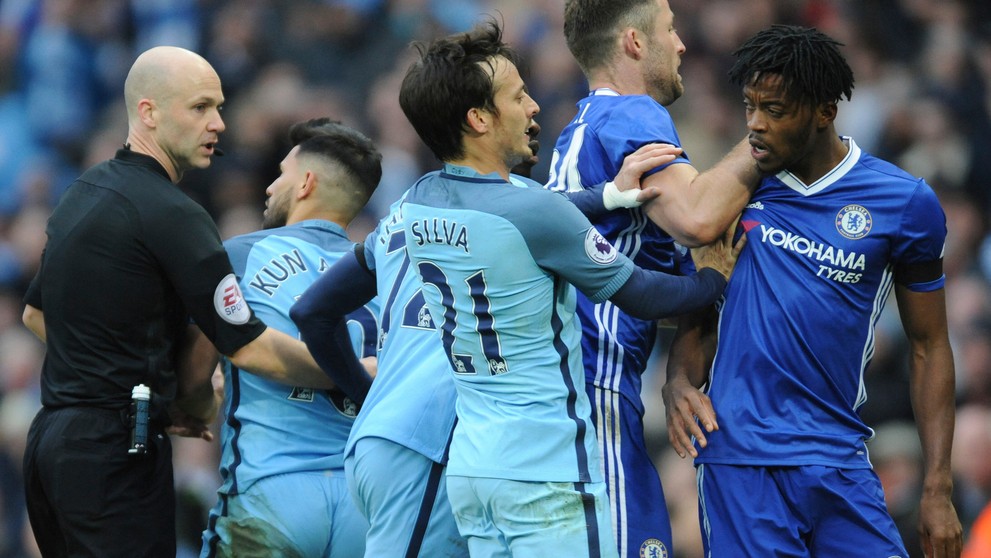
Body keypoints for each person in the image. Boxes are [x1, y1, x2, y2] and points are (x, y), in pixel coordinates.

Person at [393, 20, 742, 556]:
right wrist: (714, 276)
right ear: (479, 118)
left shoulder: (416, 202)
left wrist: (605, 197)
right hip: (550, 452)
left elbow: (541, 214)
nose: (535, 106)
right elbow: (649, 287)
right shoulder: (541, 196)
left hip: (474, 462)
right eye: (518, 96)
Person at [662, 25, 963, 557]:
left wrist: (938, 488)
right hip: (741, 460)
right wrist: (680, 378)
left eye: (775, 110)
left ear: (825, 111)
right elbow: (702, 302)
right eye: (750, 105)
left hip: (838, 454)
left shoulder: (904, 202)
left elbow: (929, 345)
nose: (755, 125)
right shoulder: (735, 193)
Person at [20, 46, 331, 557]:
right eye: (201, 107)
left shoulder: (82, 192)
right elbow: (249, 347)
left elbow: (37, 316)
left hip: (52, 444)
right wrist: (346, 372)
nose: (219, 124)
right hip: (114, 455)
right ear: (149, 112)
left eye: (220, 107)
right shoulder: (174, 215)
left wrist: (140, 393)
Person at [545, 1, 760, 555]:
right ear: (635, 43)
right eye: (670, 30)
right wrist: (767, 135)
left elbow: (657, 284)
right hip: (594, 393)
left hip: (568, 397)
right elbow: (697, 219)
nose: (682, 45)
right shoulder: (630, 115)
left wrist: (679, 374)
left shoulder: (579, 130)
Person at [289, 110, 545, 558]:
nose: (533, 113)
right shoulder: (524, 207)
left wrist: (368, 394)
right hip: (426, 441)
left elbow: (312, 311)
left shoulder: (407, 206)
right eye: (518, 99)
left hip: (387, 434)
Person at [199, 118, 382, 557]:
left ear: (305, 183)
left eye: (280, 174)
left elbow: (197, 352)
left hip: (271, 491)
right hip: (366, 501)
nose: (269, 187)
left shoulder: (241, 253)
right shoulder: (385, 275)